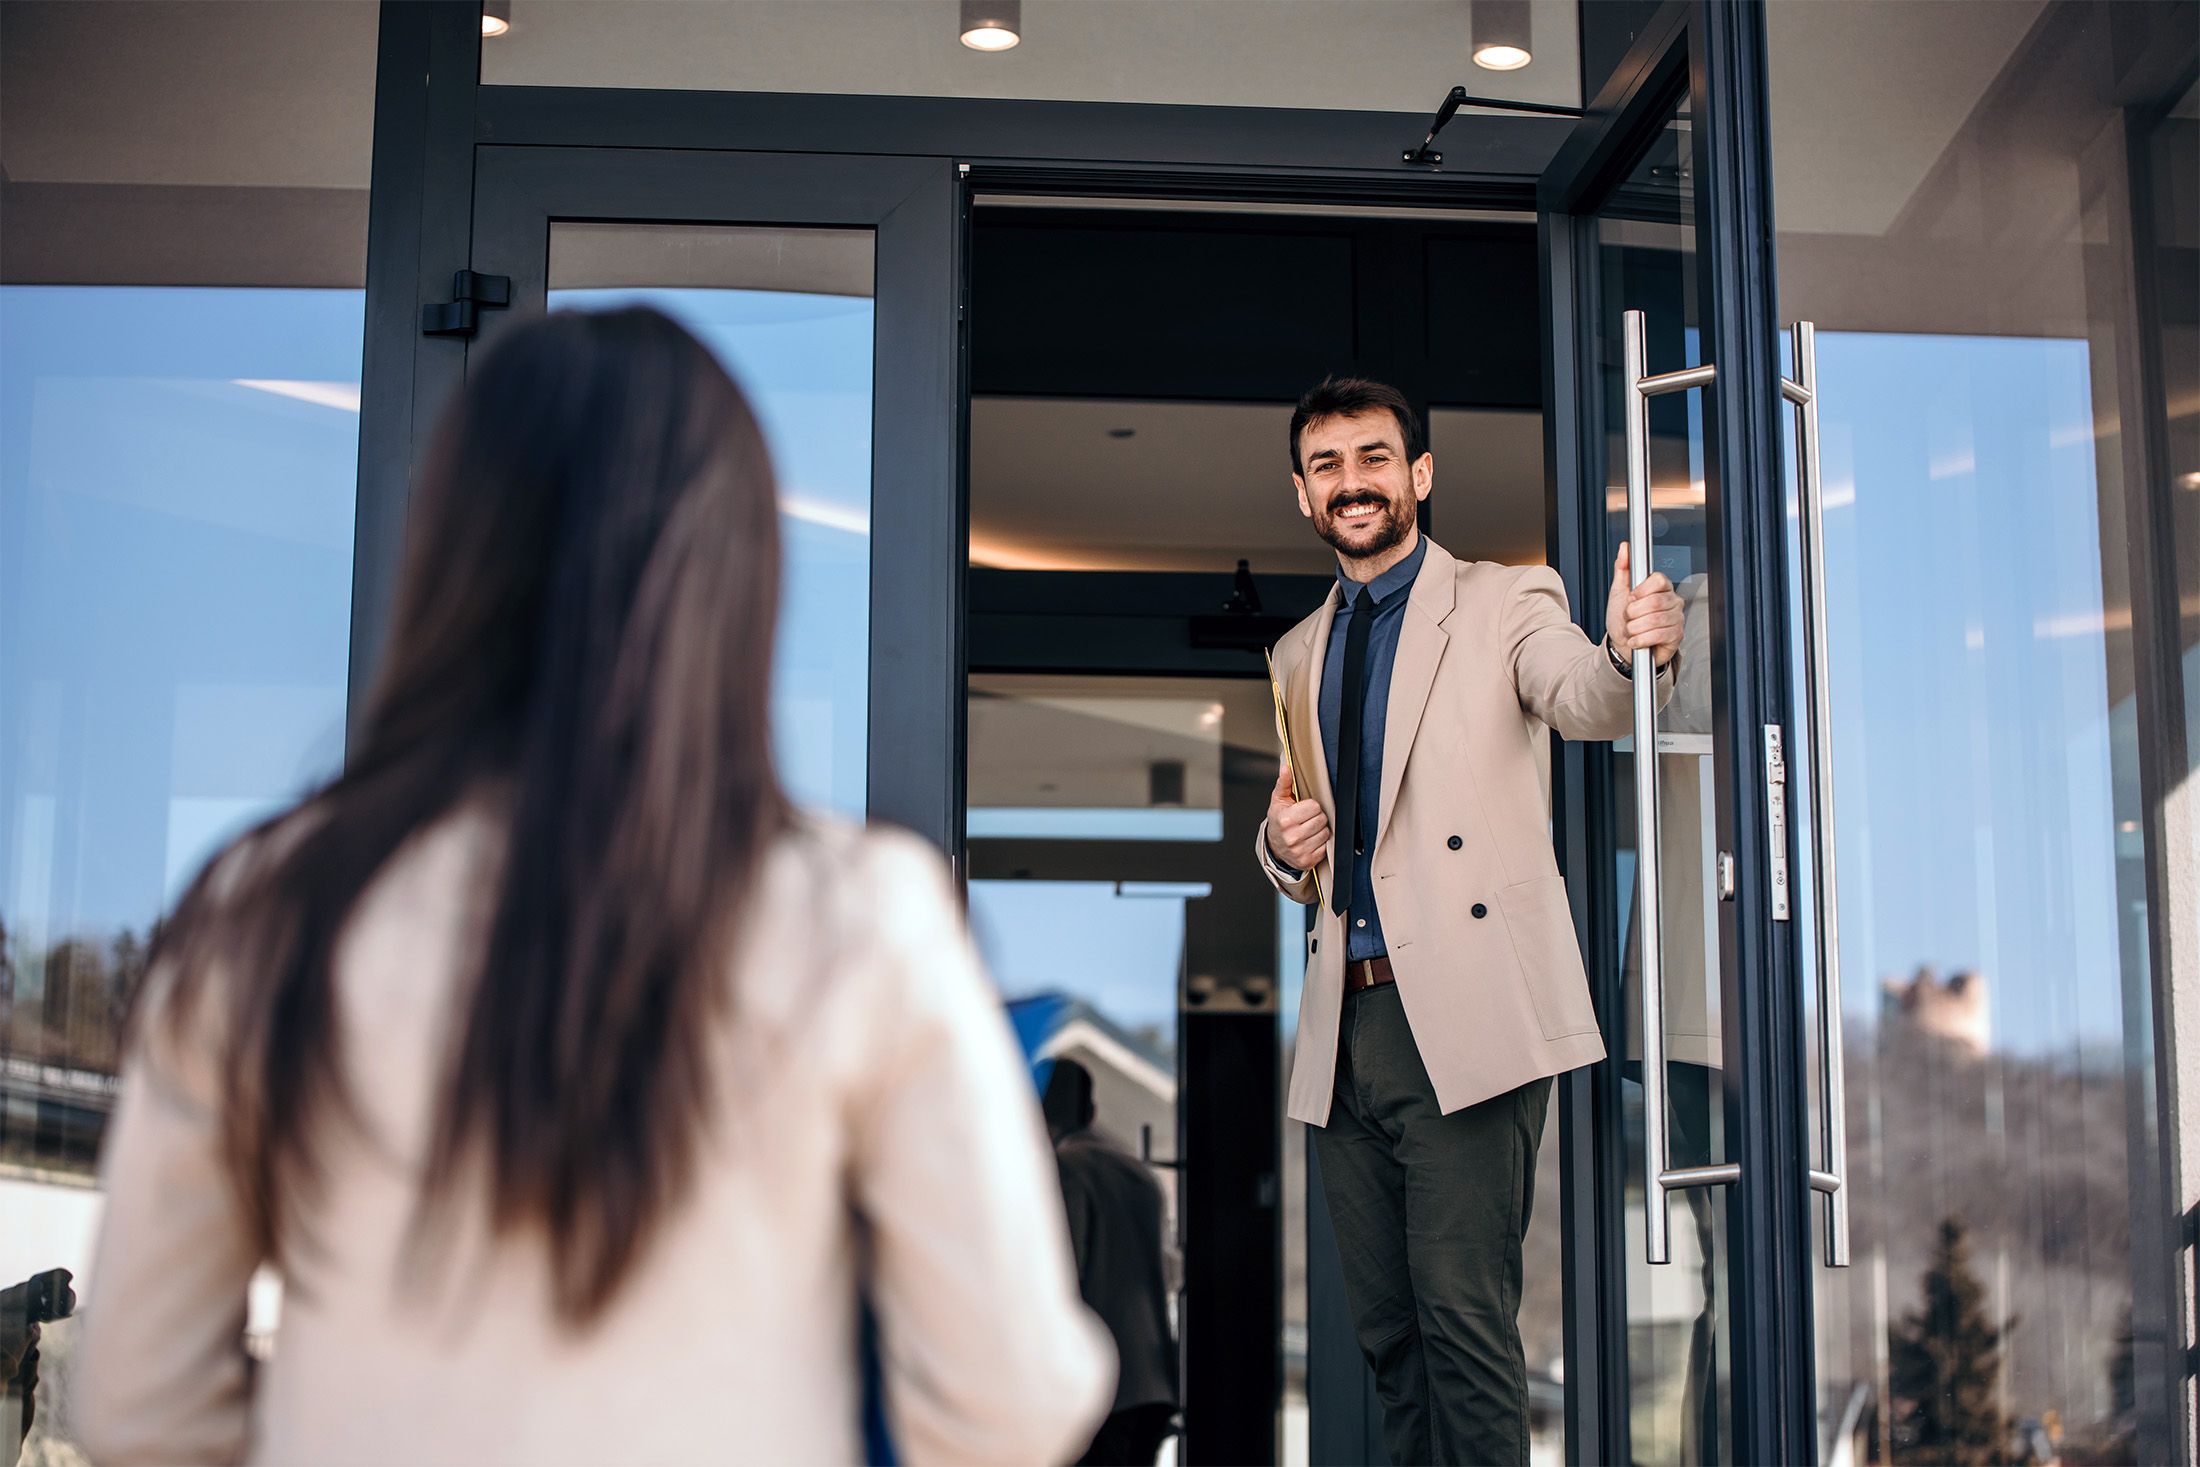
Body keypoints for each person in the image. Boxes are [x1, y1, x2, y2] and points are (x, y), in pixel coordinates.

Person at [74, 307, 1114, 1467]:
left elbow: (135, 1406)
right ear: (734, 580)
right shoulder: (854, 917)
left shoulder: (267, 909)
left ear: (451, 556)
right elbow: (1011, 1403)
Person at [1257, 377, 1682, 1466]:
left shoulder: (1502, 599)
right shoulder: (1296, 653)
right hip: (1343, 1026)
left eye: (1371, 458)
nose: (1351, 483)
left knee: (1460, 1316)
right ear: (1302, 494)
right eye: (1326, 466)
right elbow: (1312, 836)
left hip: (1462, 1010)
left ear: (1419, 475)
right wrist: (1279, 850)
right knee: (1387, 1339)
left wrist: (1635, 654)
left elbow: (1580, 695)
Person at [1039, 1060, 1178, 1466]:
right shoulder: (1139, 1174)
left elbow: (1063, 1277)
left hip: (1101, 1389)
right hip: (1154, 1385)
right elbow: (1168, 1270)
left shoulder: (1065, 1170)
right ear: (1092, 1112)